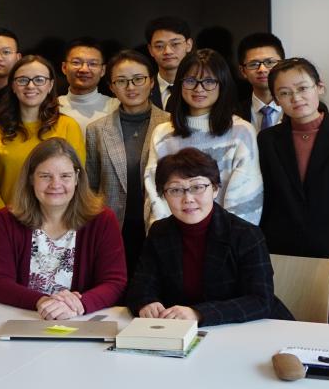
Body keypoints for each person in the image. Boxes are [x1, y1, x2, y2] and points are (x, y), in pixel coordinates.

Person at [257, 57, 329, 324]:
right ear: (276, 99)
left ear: (319, 87)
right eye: (285, 93)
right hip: (283, 258)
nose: (296, 98)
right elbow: (267, 203)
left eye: (302, 88)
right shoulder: (267, 140)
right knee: (283, 333)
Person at [126, 148, 292, 325]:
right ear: (164, 195)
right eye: (175, 190)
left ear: (214, 189)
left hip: (248, 328)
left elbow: (260, 300)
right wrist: (146, 302)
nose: (188, 199)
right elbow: (140, 286)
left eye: (197, 187)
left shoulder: (246, 234)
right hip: (183, 331)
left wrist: (199, 313)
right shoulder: (159, 232)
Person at [0, 138, 126, 319]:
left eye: (65, 176)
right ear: (31, 178)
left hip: (82, 320)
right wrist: (42, 302)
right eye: (45, 176)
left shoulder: (103, 220)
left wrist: (79, 304)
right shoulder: (7, 219)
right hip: (25, 318)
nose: (55, 184)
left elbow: (114, 282)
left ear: (77, 178)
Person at [145, 49, 262, 227]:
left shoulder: (242, 131)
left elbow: (246, 200)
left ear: (222, 83)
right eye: (190, 81)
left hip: (227, 237)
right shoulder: (162, 133)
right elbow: (155, 194)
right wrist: (165, 236)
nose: (199, 88)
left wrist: (224, 239)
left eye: (209, 81)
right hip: (172, 236)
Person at [84, 49, 169, 273]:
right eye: (121, 81)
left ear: (151, 82)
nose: (131, 87)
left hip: (160, 225)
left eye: (138, 79)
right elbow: (90, 187)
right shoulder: (96, 130)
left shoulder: (171, 125)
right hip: (112, 229)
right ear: (111, 87)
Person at [0, 56, 86, 222]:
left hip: (57, 222)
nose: (30, 86)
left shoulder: (68, 126)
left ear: (50, 85)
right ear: (13, 86)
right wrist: (3, 219)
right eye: (22, 80)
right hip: (8, 221)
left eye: (39, 80)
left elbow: (76, 178)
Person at [57, 37, 118, 134]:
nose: (84, 69)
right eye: (76, 62)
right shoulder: (51, 107)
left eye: (93, 64)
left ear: (103, 70)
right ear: (64, 67)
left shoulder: (116, 107)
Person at [233, 31, 286, 132]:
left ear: (283, 65)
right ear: (243, 71)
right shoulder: (233, 113)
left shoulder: (299, 107)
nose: (262, 69)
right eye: (254, 64)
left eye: (269, 62)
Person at [144, 16, 194, 109]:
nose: (167, 51)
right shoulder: (142, 89)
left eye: (175, 44)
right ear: (150, 50)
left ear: (188, 45)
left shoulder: (201, 88)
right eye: (159, 46)